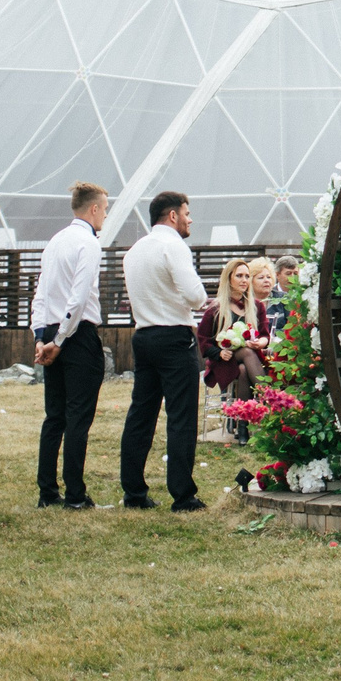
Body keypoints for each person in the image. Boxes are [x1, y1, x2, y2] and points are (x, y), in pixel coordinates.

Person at [120, 190, 209, 513]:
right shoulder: (174, 246)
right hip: (174, 337)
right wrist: (200, 300)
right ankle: (182, 495)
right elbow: (195, 295)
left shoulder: (134, 251)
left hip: (143, 335)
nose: (190, 219)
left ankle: (133, 491)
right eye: (187, 213)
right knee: (181, 416)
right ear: (172, 216)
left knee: (140, 415)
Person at [32, 181, 110, 509]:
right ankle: (76, 495)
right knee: (79, 416)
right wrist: (61, 339)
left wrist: (41, 337)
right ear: (93, 209)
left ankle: (48, 491)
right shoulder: (88, 243)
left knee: (55, 416)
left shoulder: (55, 241)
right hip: (75, 334)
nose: (105, 215)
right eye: (104, 209)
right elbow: (78, 298)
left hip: (51, 328)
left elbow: (41, 293)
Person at [200, 259, 270, 438]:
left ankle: (242, 429)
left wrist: (260, 343)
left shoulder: (256, 306)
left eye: (247, 276)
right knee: (246, 353)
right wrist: (219, 352)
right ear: (229, 278)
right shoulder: (216, 308)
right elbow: (203, 340)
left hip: (248, 361)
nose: (244, 280)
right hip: (223, 361)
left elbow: (264, 335)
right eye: (239, 276)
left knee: (243, 369)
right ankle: (269, 400)